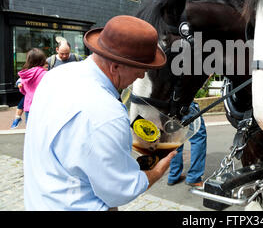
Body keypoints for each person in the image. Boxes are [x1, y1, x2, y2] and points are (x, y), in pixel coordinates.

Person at [23, 15, 174, 211]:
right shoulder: (106, 113)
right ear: (115, 66)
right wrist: (157, 171)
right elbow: (120, 190)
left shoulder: (55, 76)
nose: (141, 76)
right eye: (141, 69)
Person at [167, 101, 207, 187]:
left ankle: (174, 175)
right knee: (198, 138)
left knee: (175, 140)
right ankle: (194, 178)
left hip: (168, 105)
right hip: (185, 104)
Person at [17, 48, 48, 123]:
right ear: (42, 60)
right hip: (42, 106)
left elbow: (23, 91)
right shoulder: (45, 74)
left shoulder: (25, 75)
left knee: (30, 132)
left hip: (28, 106)